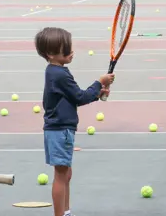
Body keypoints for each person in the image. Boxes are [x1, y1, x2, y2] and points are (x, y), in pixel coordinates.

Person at [35, 27, 115, 216]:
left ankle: (66, 211)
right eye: (66, 49)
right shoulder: (59, 74)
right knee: (61, 175)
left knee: (65, 173)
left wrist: (97, 94)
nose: (71, 52)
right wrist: (99, 83)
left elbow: (74, 97)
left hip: (60, 129)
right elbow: (79, 96)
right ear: (51, 54)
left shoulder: (55, 71)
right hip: (59, 130)